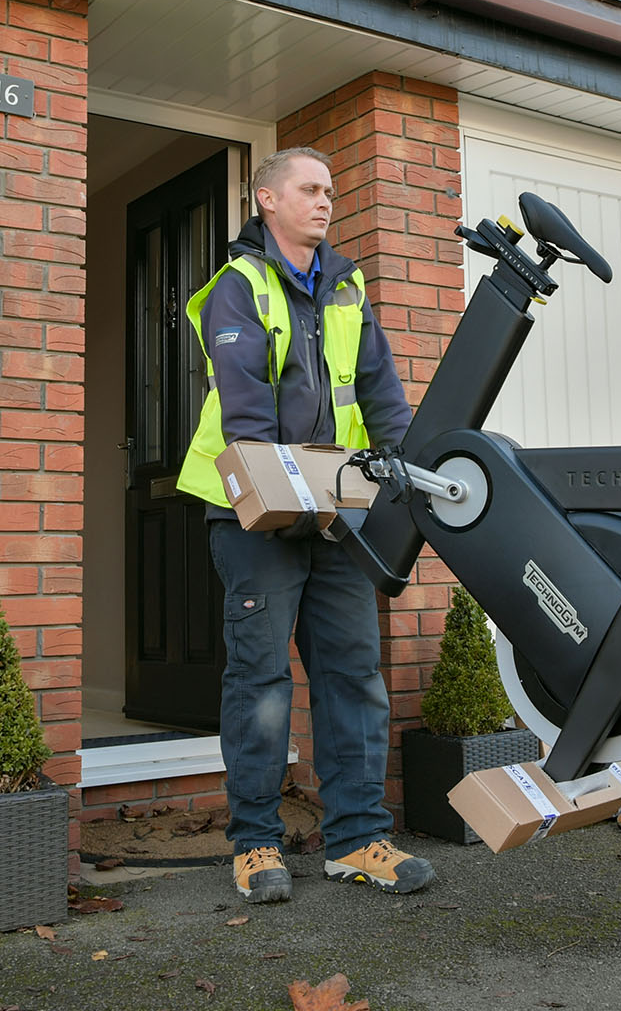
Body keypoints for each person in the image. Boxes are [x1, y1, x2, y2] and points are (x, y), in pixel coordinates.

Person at [176, 146, 434, 904]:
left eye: (330, 189)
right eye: (309, 189)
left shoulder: (349, 289)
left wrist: (409, 474)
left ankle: (358, 838)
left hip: (336, 513)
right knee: (260, 681)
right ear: (267, 200)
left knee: (353, 675)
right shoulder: (239, 288)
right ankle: (255, 844)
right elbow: (248, 414)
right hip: (254, 513)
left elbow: (383, 397)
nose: (325, 201)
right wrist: (293, 499)